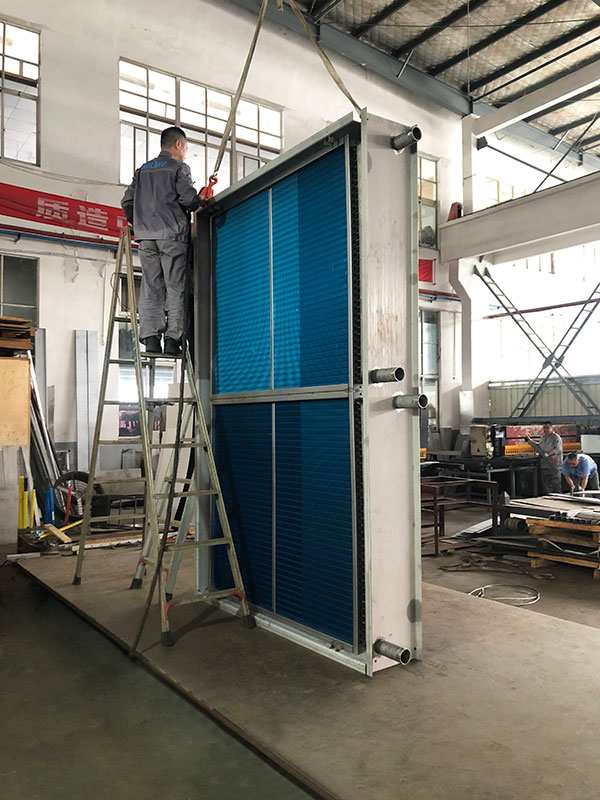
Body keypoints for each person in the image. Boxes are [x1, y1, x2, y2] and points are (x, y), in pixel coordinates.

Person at [121, 126, 200, 356]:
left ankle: (151, 339)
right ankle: (173, 340)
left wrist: (142, 224)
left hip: (146, 238)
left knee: (151, 287)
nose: (185, 153)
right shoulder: (179, 168)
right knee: (175, 288)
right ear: (178, 144)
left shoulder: (142, 171)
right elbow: (189, 200)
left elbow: (127, 203)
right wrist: (198, 198)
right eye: (185, 148)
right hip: (172, 237)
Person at [526, 421, 563, 495]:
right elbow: (539, 447)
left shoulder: (556, 437)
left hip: (554, 464)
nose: (545, 430)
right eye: (544, 428)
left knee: (555, 482)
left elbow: (558, 449)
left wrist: (549, 453)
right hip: (545, 463)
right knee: (546, 482)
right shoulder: (543, 437)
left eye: (547, 428)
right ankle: (548, 496)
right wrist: (531, 442)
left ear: (551, 428)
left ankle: (558, 495)